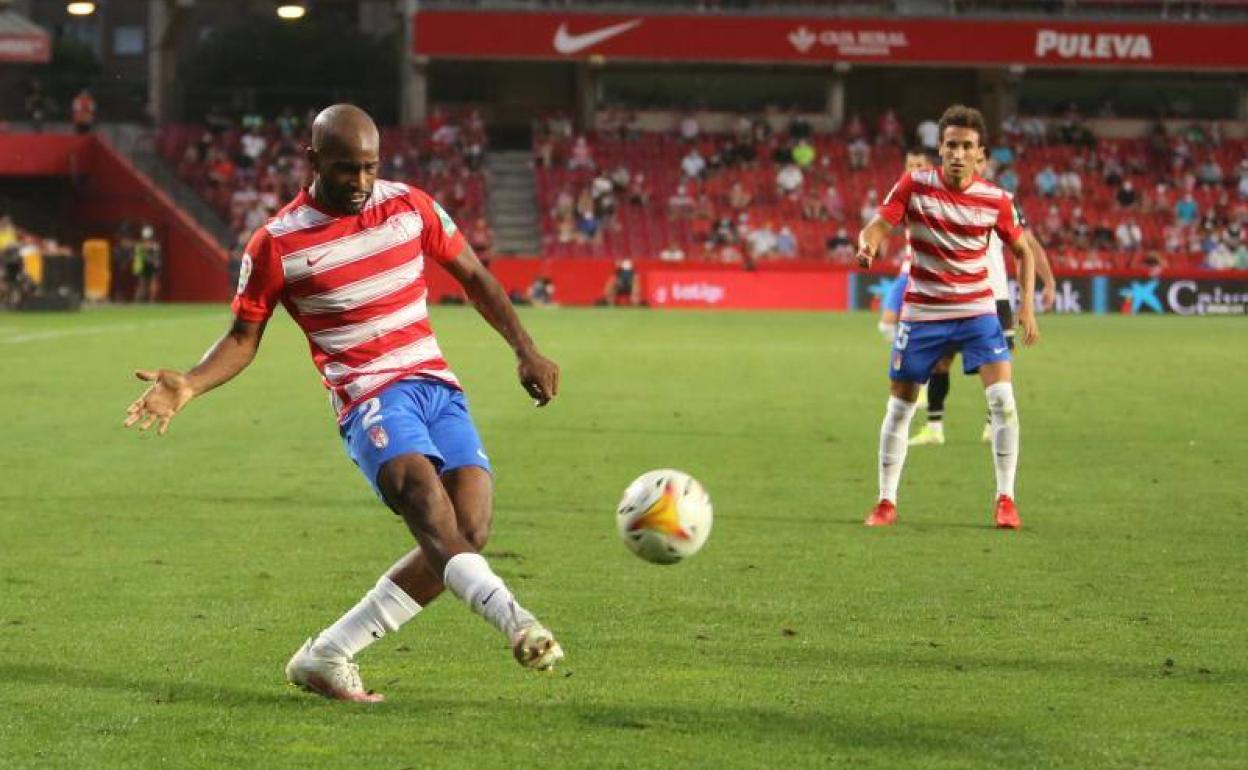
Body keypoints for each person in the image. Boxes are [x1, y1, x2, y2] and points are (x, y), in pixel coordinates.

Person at [122, 104, 565, 703]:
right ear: (311, 161)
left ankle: (329, 654)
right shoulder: (278, 243)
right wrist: (191, 383)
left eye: (368, 168)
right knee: (425, 504)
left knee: (469, 530)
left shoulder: (409, 205)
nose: (359, 183)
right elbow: (241, 338)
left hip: (436, 386)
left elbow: (476, 276)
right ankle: (518, 623)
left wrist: (525, 348)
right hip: (368, 397)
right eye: (344, 170)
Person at [855, 105, 1040, 530]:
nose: (958, 153)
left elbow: (1024, 251)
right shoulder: (914, 185)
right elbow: (878, 227)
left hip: (977, 312)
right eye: (951, 145)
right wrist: (867, 246)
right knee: (900, 408)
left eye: (967, 146)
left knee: (1003, 402)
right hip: (922, 315)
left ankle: (1006, 500)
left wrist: (1026, 305)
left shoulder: (995, 199)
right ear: (940, 148)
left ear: (980, 154)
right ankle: (886, 501)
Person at [909, 150, 1056, 447]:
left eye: (976, 159)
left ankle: (994, 425)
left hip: (993, 297)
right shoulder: (943, 197)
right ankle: (934, 428)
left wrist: (1047, 281)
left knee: (996, 370)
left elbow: (1027, 245)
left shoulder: (1000, 199)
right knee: (940, 363)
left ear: (983, 162)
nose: (968, 164)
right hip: (951, 296)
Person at [876, 149, 934, 343]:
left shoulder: (940, 197)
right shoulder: (903, 194)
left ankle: (913, 355)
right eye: (910, 166)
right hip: (908, 272)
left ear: (931, 168)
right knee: (887, 324)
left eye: (919, 165)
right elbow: (885, 221)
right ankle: (906, 353)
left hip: (931, 275)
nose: (914, 170)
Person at [132, 225, 162, 303]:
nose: (147, 241)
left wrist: (156, 262)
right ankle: (139, 301)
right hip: (144, 265)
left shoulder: (155, 247)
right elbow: (137, 257)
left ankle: (150, 301)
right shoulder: (140, 246)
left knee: (152, 282)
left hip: (150, 265)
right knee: (143, 284)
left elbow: (156, 258)